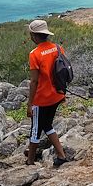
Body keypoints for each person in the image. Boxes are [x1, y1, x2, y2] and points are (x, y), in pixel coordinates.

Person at [24, 19, 70, 167]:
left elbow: (34, 82)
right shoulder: (57, 48)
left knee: (35, 130)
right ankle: (61, 155)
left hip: (42, 99)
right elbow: (62, 72)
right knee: (47, 124)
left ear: (34, 36)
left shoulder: (34, 54)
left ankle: (30, 162)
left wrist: (30, 104)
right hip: (56, 95)